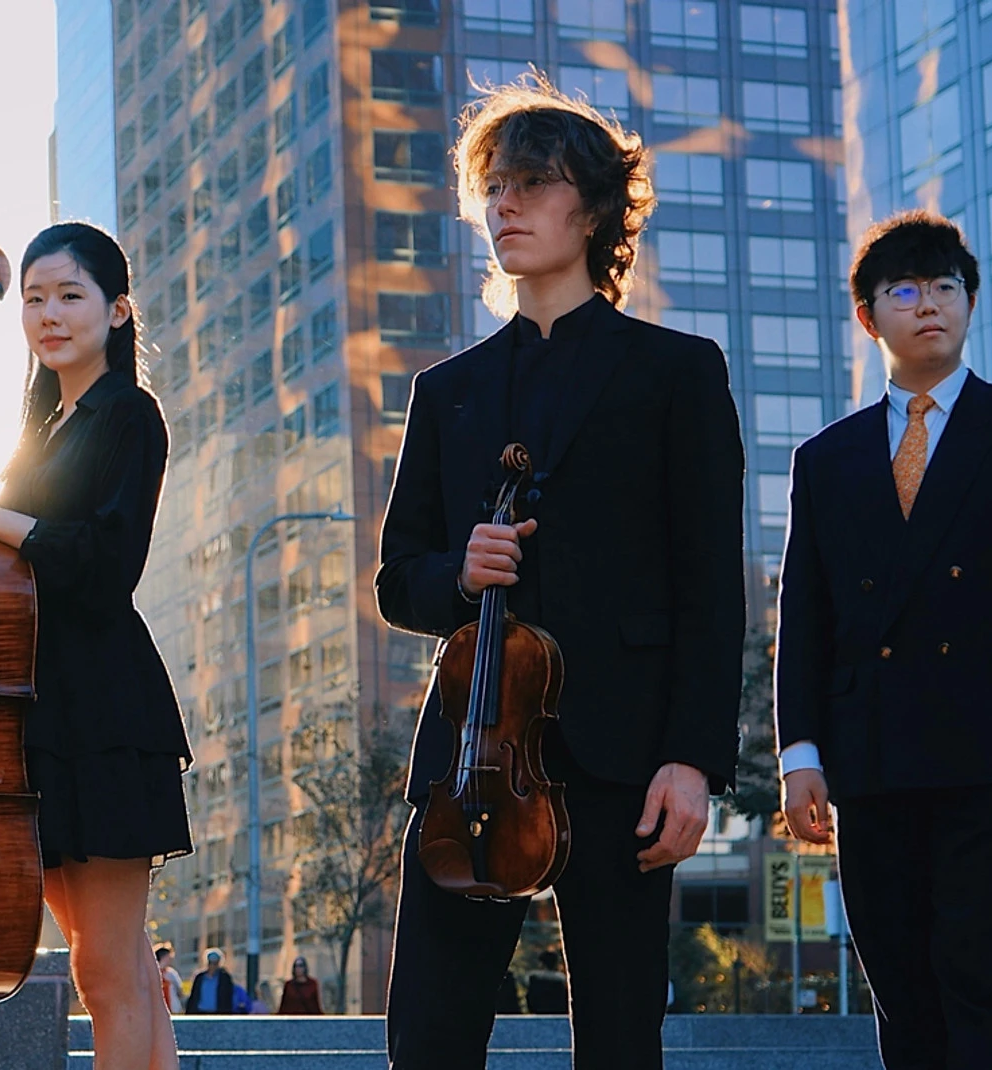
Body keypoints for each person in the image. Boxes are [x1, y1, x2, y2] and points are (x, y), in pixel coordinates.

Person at [375, 79, 745, 1070]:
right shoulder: (444, 391)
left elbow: (712, 586)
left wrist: (693, 758)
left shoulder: (676, 371)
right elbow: (396, 580)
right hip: (470, 757)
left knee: (621, 1038)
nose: (503, 205)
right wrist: (460, 569)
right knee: (427, 1034)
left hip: (624, 753)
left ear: (591, 208)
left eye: (532, 184)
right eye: (493, 185)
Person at [774, 210, 992, 1070]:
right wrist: (799, 753)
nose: (929, 305)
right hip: (871, 756)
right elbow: (806, 616)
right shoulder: (825, 458)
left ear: (969, 304)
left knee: (988, 979)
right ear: (868, 316)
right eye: (904, 291)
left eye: (946, 288)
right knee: (901, 987)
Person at [0, 221, 190, 1070]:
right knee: (114, 965)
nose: (47, 314)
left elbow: (101, 566)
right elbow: (6, 570)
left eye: (69, 295)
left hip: (104, 714)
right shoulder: (38, 431)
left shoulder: (131, 416)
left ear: (118, 309)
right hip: (37, 718)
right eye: (32, 299)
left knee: (105, 968)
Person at [183, 949, 244, 1015]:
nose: (212, 966)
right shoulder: (199, 978)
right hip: (200, 1013)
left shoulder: (225, 978)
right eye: (210, 963)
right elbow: (193, 997)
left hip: (218, 1014)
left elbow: (228, 998)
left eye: (215, 963)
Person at [520, 951, 569, 1015]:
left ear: (541, 963)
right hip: (558, 1012)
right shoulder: (562, 980)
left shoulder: (533, 978)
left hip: (537, 1011)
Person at [154, 945, 184, 1016]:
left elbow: (180, 992)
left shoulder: (171, 973)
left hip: (173, 1010)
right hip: (158, 1011)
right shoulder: (152, 973)